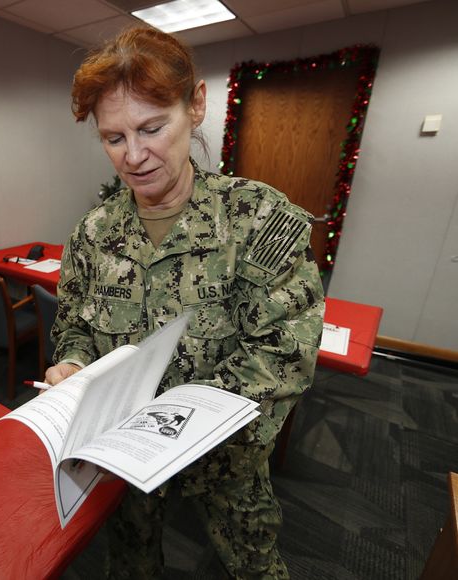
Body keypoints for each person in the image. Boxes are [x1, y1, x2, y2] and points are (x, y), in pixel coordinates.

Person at [45, 27, 325, 579]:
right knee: (129, 565)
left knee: (254, 566)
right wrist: (72, 363)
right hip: (119, 458)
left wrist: (174, 427)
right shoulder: (93, 233)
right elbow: (74, 322)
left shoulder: (256, 219)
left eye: (152, 127)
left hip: (226, 461)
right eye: (113, 137)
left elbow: (285, 354)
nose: (134, 155)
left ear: (195, 105)